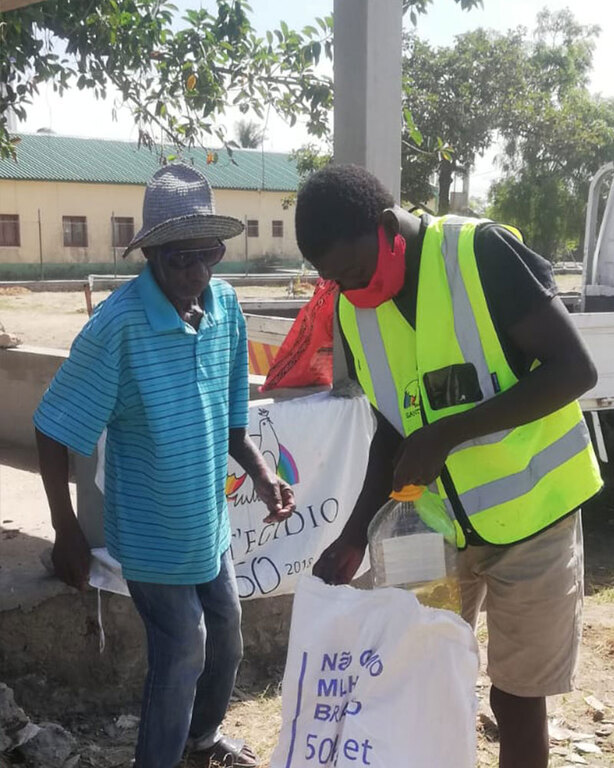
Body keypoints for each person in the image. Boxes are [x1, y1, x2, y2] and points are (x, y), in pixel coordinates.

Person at [296, 164, 602, 768]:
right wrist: (356, 530)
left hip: (532, 517)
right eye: (335, 280)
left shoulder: (478, 255)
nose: (351, 290)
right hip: (432, 529)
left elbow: (576, 370)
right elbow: (389, 427)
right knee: (421, 677)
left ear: (386, 228)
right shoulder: (355, 309)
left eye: (354, 272)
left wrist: (449, 433)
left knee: (517, 698)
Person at [34, 163, 295, 768]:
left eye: (209, 255)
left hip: (207, 523)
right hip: (151, 533)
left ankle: (201, 743)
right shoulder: (117, 328)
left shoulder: (225, 307)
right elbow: (51, 428)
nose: (197, 273)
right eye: (181, 259)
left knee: (226, 641)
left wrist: (260, 473)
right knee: (183, 648)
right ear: (150, 255)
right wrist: (66, 528)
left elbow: (231, 421)